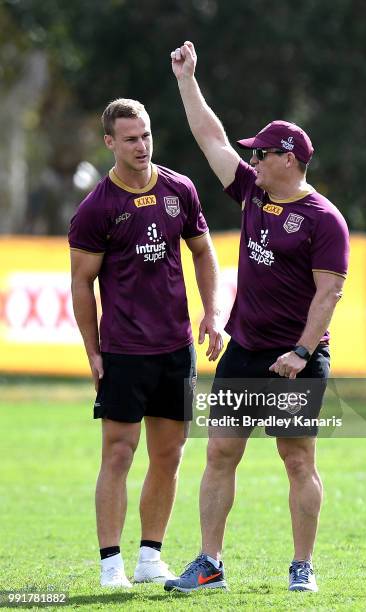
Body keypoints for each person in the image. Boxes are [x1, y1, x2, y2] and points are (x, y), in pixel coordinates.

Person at [164, 42, 350, 594]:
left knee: (297, 460)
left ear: (288, 158)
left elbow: (329, 295)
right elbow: (211, 138)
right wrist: (186, 80)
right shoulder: (252, 192)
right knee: (220, 451)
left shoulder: (324, 221)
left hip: (297, 355)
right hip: (245, 350)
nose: (253, 160)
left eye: (262, 154)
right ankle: (210, 563)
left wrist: (300, 351)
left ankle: (302, 568)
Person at [68, 98, 223, 588]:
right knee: (118, 452)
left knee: (170, 453)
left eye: (147, 135)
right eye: (131, 138)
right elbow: (81, 285)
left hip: (174, 348)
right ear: (110, 142)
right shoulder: (96, 209)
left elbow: (203, 252)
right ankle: (111, 563)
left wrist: (212, 312)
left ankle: (150, 556)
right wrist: (93, 351)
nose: (142, 146)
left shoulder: (180, 189)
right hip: (123, 349)